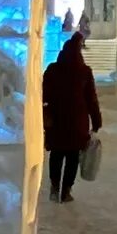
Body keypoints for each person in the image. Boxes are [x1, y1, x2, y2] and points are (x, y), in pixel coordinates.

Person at [39, 32, 103, 203]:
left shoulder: (52, 70)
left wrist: (45, 113)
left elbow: (42, 95)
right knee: (73, 157)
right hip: (77, 123)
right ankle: (66, 191)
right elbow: (91, 99)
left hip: (56, 121)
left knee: (57, 155)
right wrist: (96, 121)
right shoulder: (84, 72)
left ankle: (54, 188)